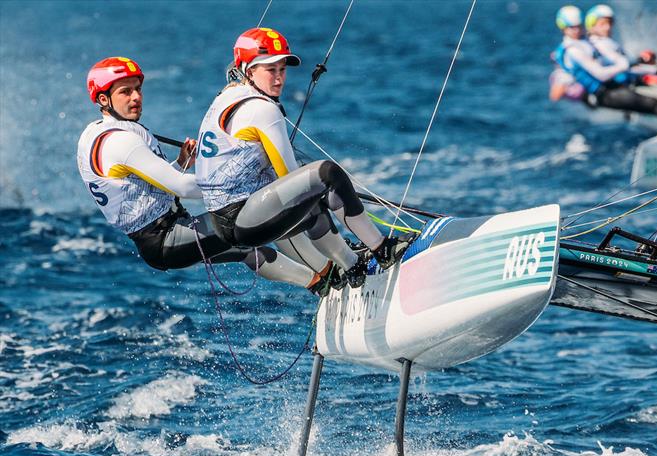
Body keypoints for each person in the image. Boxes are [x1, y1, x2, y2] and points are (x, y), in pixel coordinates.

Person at [76, 57, 328, 294]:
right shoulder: (120, 142)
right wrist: (247, 185)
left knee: (249, 248)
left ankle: (318, 283)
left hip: (165, 234)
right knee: (262, 218)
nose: (136, 97)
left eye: (138, 89)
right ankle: (330, 276)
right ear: (103, 100)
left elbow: (140, 191)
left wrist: (181, 163)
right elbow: (184, 188)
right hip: (165, 240)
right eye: (125, 92)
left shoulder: (100, 134)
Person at [195, 27, 410, 288]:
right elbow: (288, 175)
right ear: (249, 70)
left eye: (282, 69)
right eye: (270, 70)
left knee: (309, 188)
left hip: (227, 220)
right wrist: (326, 190)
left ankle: (350, 269)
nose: (278, 79)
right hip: (243, 218)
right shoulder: (262, 109)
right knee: (325, 174)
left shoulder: (227, 95)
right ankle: (382, 249)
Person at [553, 5, 657, 124]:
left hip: (614, 86)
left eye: (579, 26)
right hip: (603, 94)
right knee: (652, 103)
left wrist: (651, 69)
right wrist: (625, 65)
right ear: (563, 27)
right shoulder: (573, 50)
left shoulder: (584, 43)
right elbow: (601, 75)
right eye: (572, 27)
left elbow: (615, 61)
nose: (577, 30)